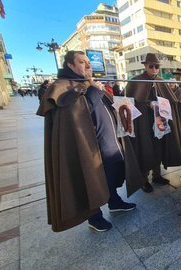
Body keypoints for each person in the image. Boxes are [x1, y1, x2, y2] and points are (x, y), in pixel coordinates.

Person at [36, 51, 143, 232]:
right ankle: (94, 217)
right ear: (70, 65)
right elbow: (77, 115)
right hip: (86, 148)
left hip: (108, 143)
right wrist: (93, 90)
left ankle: (114, 201)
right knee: (90, 181)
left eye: (88, 62)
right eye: (82, 62)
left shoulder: (88, 84)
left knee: (110, 175)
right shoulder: (62, 86)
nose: (88, 65)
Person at [125, 53, 181, 193]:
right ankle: (144, 179)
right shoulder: (136, 81)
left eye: (157, 66)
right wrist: (147, 104)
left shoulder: (160, 80)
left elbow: (170, 100)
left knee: (158, 146)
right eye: (151, 66)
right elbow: (127, 101)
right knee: (145, 148)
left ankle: (157, 175)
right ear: (145, 66)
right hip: (142, 123)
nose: (154, 69)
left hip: (159, 121)